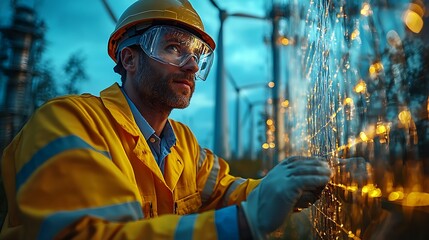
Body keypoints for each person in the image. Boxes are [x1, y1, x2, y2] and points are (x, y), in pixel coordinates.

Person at [0, 0, 332, 239]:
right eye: (173, 48)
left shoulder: (184, 144)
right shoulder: (69, 122)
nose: (191, 65)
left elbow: (228, 193)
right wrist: (245, 223)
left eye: (198, 55)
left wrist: (299, 186)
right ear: (129, 58)